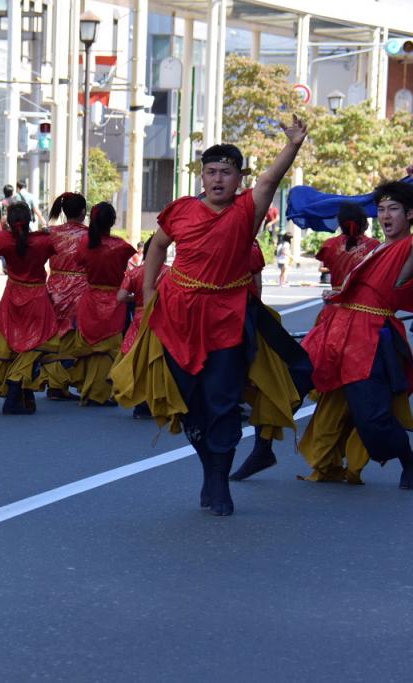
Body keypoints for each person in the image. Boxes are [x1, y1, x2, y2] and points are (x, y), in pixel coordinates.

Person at [112, 114, 309, 517]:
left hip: (227, 316)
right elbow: (157, 248)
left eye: (227, 172)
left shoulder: (245, 211)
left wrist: (292, 145)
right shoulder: (181, 210)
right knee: (189, 403)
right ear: (202, 176)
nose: (218, 179)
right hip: (176, 315)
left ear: (239, 179)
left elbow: (271, 181)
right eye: (211, 171)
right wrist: (149, 291)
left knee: (221, 401)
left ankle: (218, 481)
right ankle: (211, 470)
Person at [299, 165, 413, 490]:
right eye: (382, 209)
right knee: (287, 379)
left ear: (409, 214)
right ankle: (263, 446)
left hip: (369, 342)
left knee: (371, 421)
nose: (386, 215)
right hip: (333, 334)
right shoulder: (374, 249)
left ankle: (407, 459)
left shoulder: (409, 250)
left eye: (394, 210)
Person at [227, 240, 315, 482]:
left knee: (269, 385)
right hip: (236, 319)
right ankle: (261, 449)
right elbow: (257, 286)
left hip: (243, 320)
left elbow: (255, 287)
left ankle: (261, 449)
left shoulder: (244, 242)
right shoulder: (246, 242)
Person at [0, 202, 59, 414]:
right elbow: (55, 246)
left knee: (13, 343)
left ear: (9, 220)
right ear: (30, 219)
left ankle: (17, 391)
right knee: (35, 344)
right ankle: (16, 385)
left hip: (13, 294)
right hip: (36, 297)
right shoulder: (43, 241)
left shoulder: (5, 240)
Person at [66, 202, 135, 406]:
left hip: (90, 298)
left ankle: (88, 388)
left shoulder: (86, 244)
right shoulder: (122, 247)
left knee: (91, 344)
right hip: (113, 301)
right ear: (113, 221)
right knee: (108, 348)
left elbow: (79, 262)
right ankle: (99, 392)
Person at [41, 191, 89, 401]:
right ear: (82, 212)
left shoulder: (50, 232)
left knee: (56, 335)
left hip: (54, 287)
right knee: (72, 337)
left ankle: (55, 382)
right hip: (80, 289)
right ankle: (61, 382)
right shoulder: (90, 235)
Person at [116, 236, 169, 419]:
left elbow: (121, 297)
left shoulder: (135, 272)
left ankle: (139, 403)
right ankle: (158, 401)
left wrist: (136, 300)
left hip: (139, 319)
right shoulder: (171, 273)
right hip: (162, 321)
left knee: (137, 360)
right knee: (157, 360)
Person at [315, 202, 380, 289]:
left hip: (336, 300)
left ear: (340, 223)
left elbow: (325, 266)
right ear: (365, 223)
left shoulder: (329, 245)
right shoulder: (375, 246)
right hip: (363, 300)